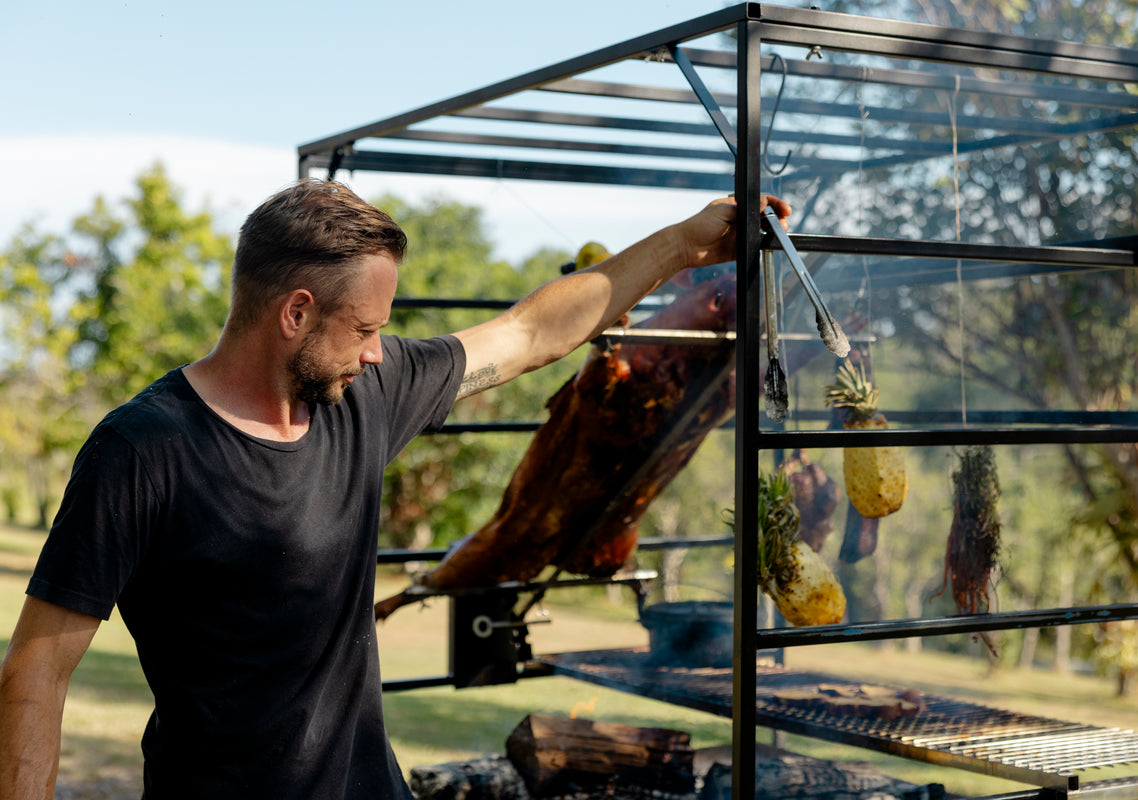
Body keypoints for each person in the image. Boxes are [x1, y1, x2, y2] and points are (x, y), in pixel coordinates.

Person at [0, 179, 791, 800]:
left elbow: (529, 331)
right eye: (367, 328)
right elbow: (36, 671)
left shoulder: (362, 396)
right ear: (296, 312)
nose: (381, 353)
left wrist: (684, 246)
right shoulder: (143, 451)